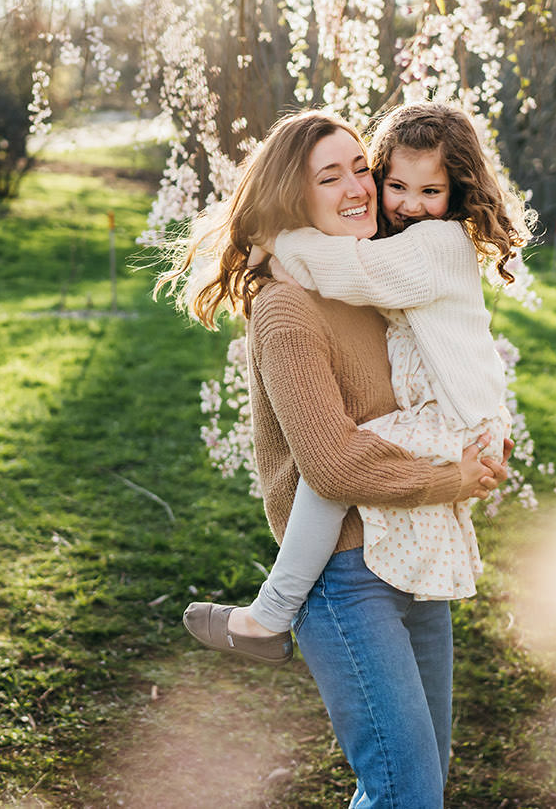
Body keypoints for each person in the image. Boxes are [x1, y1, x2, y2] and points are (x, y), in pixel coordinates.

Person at [157, 108, 508, 809]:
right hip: (346, 573)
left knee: (415, 790)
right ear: (295, 193)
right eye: (331, 175)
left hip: (415, 555)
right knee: (406, 790)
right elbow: (334, 465)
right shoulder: (287, 309)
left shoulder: (380, 282)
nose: (360, 187)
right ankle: (270, 612)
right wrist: (453, 476)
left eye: (359, 168)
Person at [186, 101, 526, 648]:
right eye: (397, 185)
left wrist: (275, 242)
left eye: (431, 192)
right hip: (453, 418)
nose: (410, 205)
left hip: (455, 421)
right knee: (339, 464)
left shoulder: (436, 244)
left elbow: (351, 271)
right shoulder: (399, 248)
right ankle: (278, 613)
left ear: (456, 193)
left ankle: (269, 615)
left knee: (341, 462)